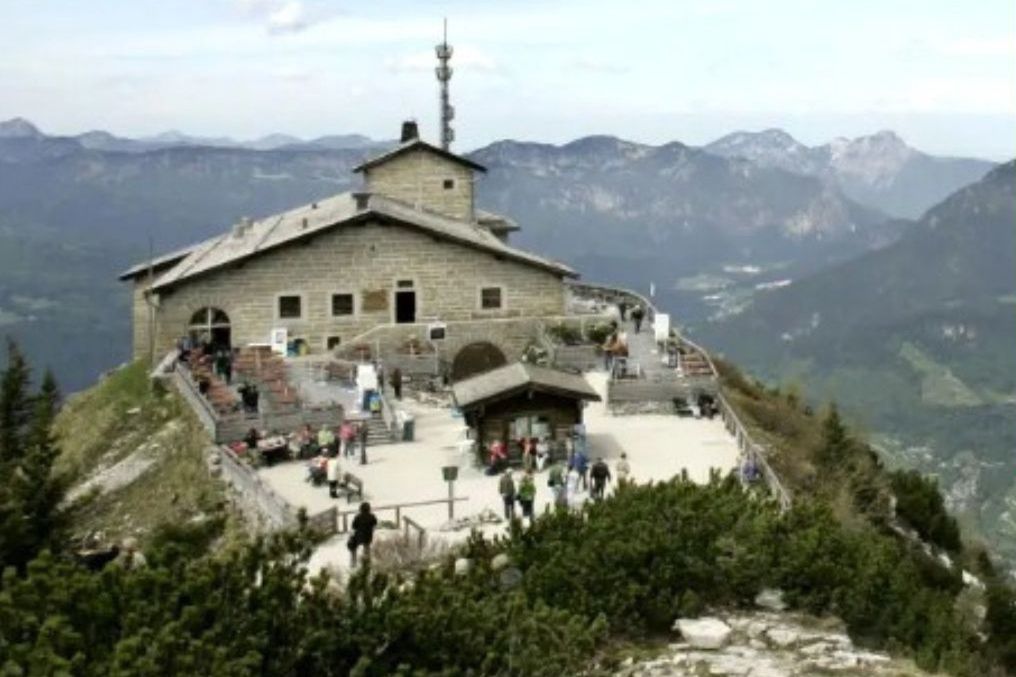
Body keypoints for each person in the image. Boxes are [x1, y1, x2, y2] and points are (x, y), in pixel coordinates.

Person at [348, 502, 378, 567]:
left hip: (359, 536)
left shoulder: (358, 517)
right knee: (367, 548)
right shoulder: (372, 516)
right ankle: (367, 562)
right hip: (368, 536)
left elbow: (353, 527)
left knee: (353, 548)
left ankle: (353, 562)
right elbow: (375, 524)